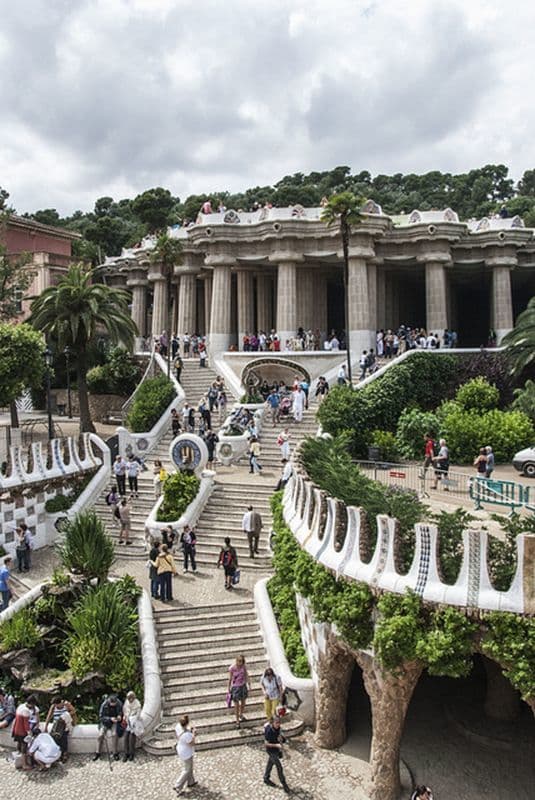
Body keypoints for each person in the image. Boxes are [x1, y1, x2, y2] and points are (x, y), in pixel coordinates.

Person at [263, 715, 290, 793]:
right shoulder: (269, 731)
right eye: (277, 723)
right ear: (272, 723)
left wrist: (284, 740)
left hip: (276, 750)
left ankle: (266, 778)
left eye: (279, 722)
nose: (278, 724)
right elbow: (266, 744)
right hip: (271, 751)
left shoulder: (279, 729)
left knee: (270, 764)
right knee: (279, 767)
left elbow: (281, 738)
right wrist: (276, 745)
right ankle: (284, 783)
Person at [94, 694, 123, 761]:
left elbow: (121, 712)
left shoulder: (119, 703)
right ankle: (97, 752)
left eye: (115, 704)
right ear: (109, 702)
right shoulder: (104, 705)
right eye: (112, 704)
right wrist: (110, 719)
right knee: (100, 735)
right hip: (105, 722)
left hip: (114, 722)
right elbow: (101, 717)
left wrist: (119, 716)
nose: (114, 705)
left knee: (114, 735)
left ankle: (115, 753)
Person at [45, 696, 74, 761]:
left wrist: (65, 716)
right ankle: (58, 754)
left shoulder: (66, 704)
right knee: (56, 740)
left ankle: (65, 754)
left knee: (64, 739)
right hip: (56, 725)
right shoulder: (53, 707)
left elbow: (73, 711)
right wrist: (46, 727)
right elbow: (49, 716)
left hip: (64, 725)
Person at [174, 714, 197, 795]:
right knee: (187, 769)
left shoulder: (177, 727)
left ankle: (191, 781)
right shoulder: (187, 735)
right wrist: (194, 734)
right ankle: (178, 785)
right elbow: (192, 743)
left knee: (190, 766)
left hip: (180, 748)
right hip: (186, 752)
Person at [228, 654, 251, 728]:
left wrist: (249, 683)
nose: (240, 663)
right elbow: (230, 678)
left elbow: (246, 675)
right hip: (235, 687)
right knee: (236, 705)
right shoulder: (232, 668)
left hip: (243, 686)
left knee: (243, 702)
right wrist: (228, 687)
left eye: (241, 661)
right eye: (239, 661)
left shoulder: (243, 667)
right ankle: (237, 720)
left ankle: (241, 713)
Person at [122, 690, 142, 762]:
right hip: (128, 722)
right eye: (129, 698)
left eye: (131, 698)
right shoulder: (126, 703)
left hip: (134, 723)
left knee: (131, 738)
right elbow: (124, 710)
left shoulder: (137, 703)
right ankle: (126, 753)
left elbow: (138, 714)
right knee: (126, 737)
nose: (130, 700)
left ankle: (131, 753)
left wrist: (134, 720)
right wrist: (125, 717)